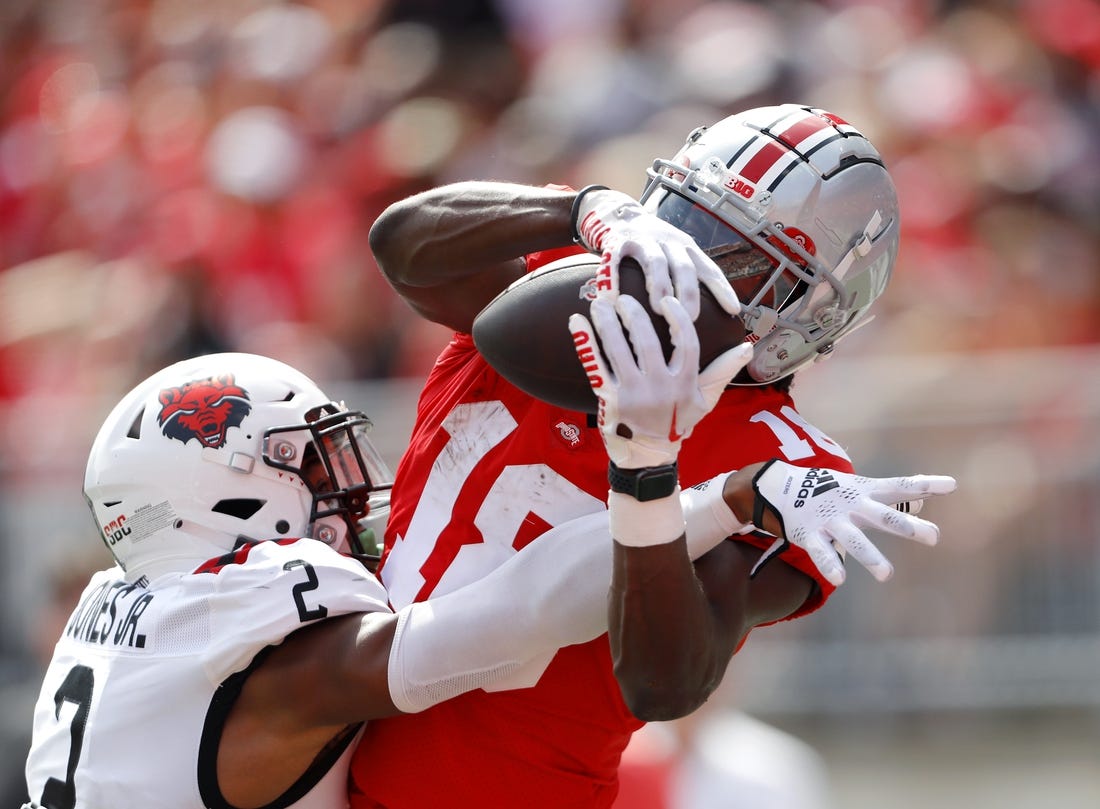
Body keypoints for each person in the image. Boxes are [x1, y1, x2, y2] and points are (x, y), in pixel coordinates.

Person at [21, 350, 949, 809]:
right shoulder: (272, 654)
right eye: (311, 465)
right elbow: (504, 618)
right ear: (216, 494)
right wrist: (704, 495)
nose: (348, 488)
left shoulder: (122, 603)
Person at [348, 103, 945, 807]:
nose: (690, 256)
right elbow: (399, 243)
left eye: (742, 258)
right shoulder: (553, 297)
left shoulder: (788, 469)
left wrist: (648, 474)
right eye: (683, 218)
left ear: (808, 308)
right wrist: (582, 209)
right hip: (326, 750)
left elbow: (665, 682)